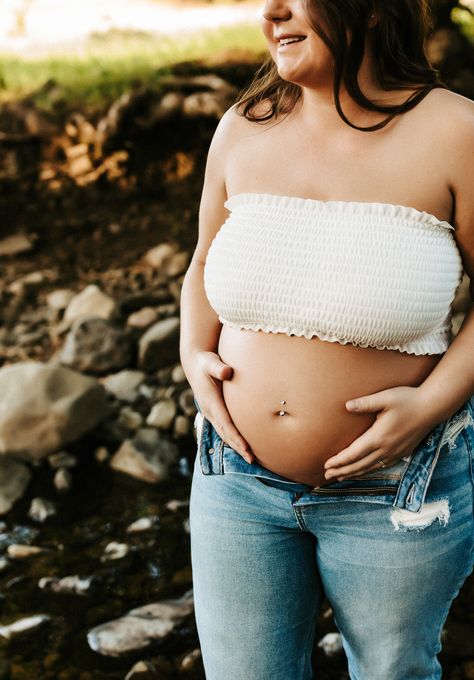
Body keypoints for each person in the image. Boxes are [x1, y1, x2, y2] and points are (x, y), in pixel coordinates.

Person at [179, 0, 474, 678]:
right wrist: (195, 358)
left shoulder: (456, 130)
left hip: (398, 485)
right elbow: (201, 262)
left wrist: (428, 408)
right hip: (235, 479)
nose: (271, 10)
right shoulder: (242, 127)